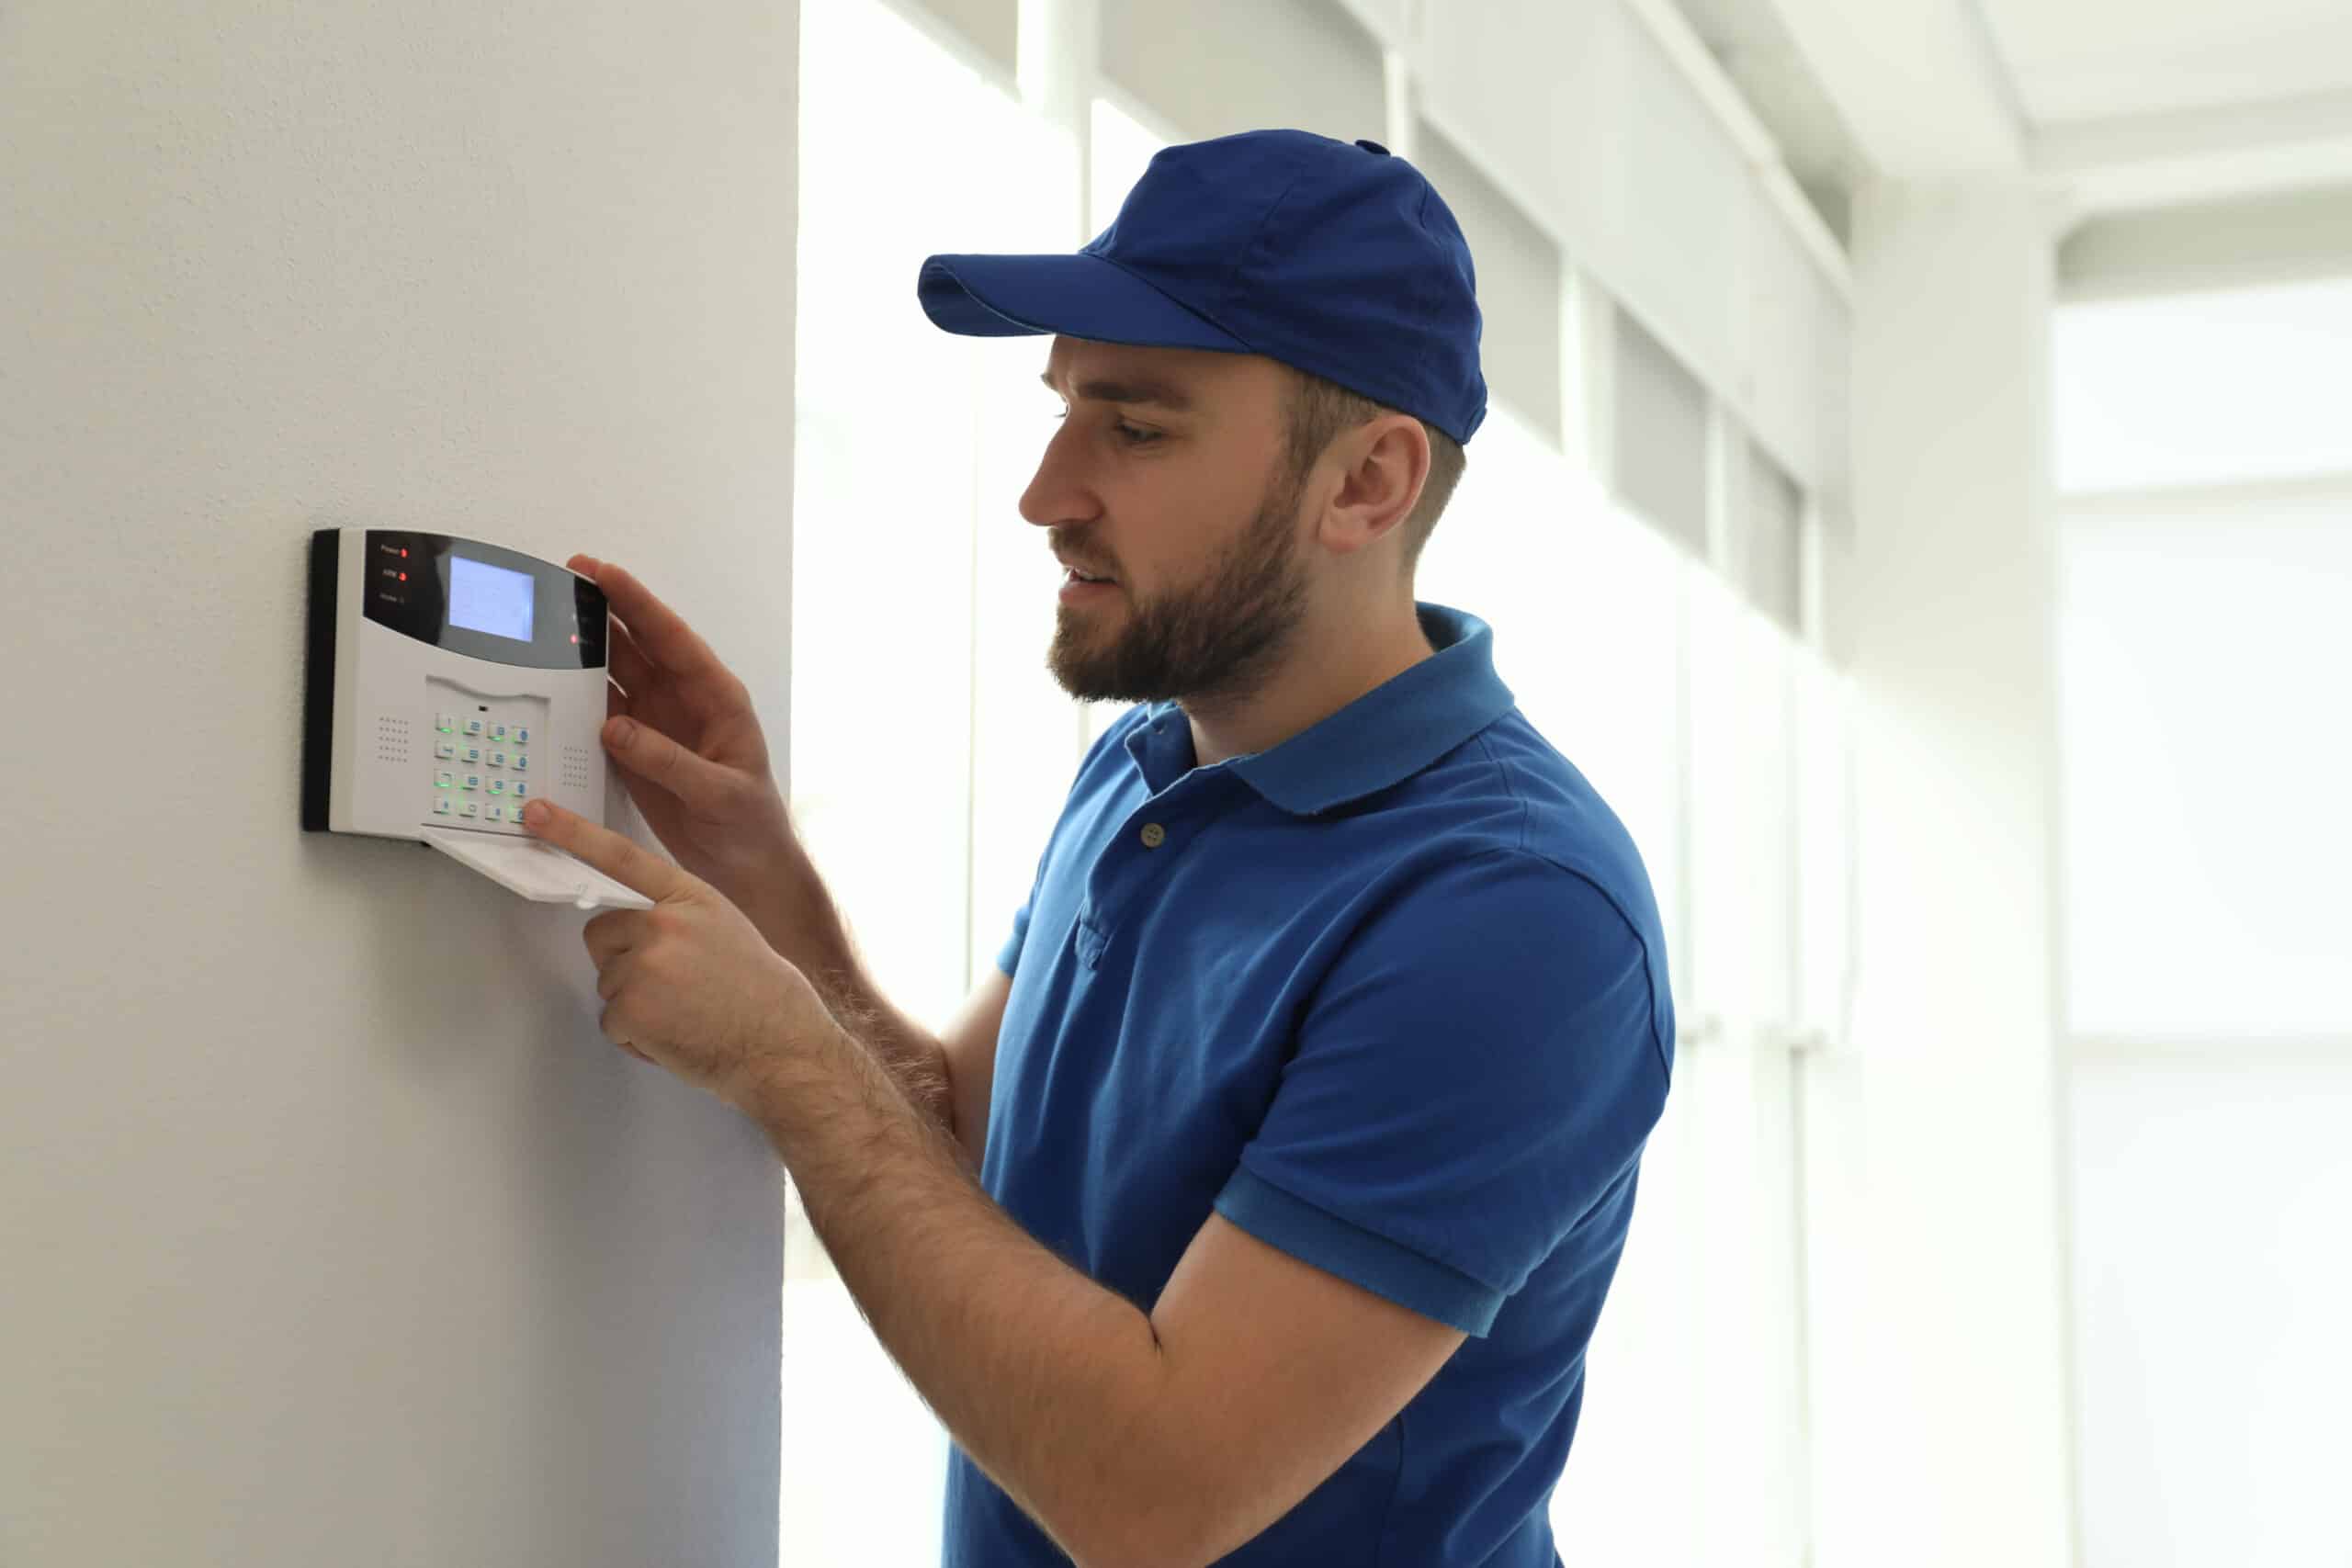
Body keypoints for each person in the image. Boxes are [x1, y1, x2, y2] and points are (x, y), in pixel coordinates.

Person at [521, 128, 1676, 1567]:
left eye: (1134, 428)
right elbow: (952, 1148)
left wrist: (785, 1063)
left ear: (1367, 485)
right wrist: (761, 878)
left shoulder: (1513, 915)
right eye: (1064, 409)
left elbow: (1153, 1495)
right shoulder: (1147, 769)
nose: (1047, 491)